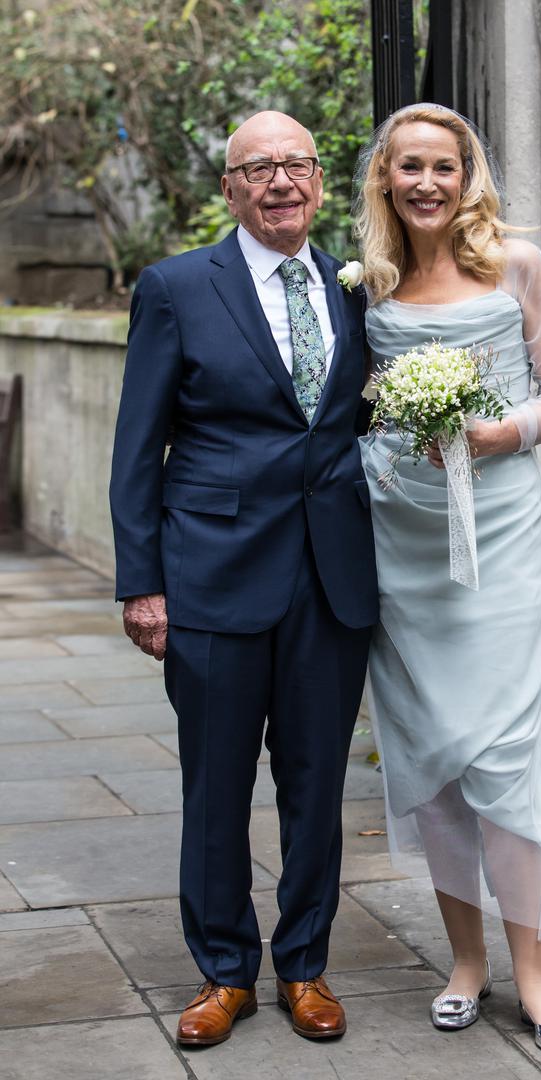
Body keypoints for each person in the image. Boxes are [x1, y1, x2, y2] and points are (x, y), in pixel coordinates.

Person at [109, 111, 378, 1046]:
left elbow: (365, 425)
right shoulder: (177, 287)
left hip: (332, 579)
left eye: (297, 165)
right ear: (229, 188)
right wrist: (142, 583)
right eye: (258, 168)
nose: (280, 183)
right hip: (213, 575)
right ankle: (225, 972)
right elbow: (137, 447)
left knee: (317, 784)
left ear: (319, 181)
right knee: (216, 787)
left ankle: (304, 964)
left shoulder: (357, 287)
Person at [355, 103, 541, 1059]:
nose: (427, 183)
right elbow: (360, 409)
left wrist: (506, 432)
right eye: (409, 166)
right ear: (386, 179)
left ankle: (534, 976)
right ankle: (467, 963)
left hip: (499, 541)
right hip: (404, 542)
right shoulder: (371, 282)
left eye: (443, 167)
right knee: (432, 762)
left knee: (505, 756)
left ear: (467, 177)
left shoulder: (516, 264)